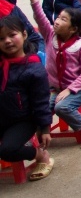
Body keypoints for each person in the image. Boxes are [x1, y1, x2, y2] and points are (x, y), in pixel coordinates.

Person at [25, 0, 81, 149]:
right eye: (58, 17)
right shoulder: (50, 35)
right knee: (40, 108)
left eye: (63, 19)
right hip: (55, 89)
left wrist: (69, 89)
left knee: (61, 107)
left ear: (73, 29)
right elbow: (38, 14)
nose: (56, 22)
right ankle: (40, 136)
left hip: (79, 88)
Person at [0, 13, 54, 181]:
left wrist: (44, 129)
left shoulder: (34, 68)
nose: (7, 41)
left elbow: (41, 102)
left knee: (7, 150)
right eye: (1, 38)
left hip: (23, 120)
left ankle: (40, 155)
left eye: (12, 35)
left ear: (24, 35)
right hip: (2, 116)